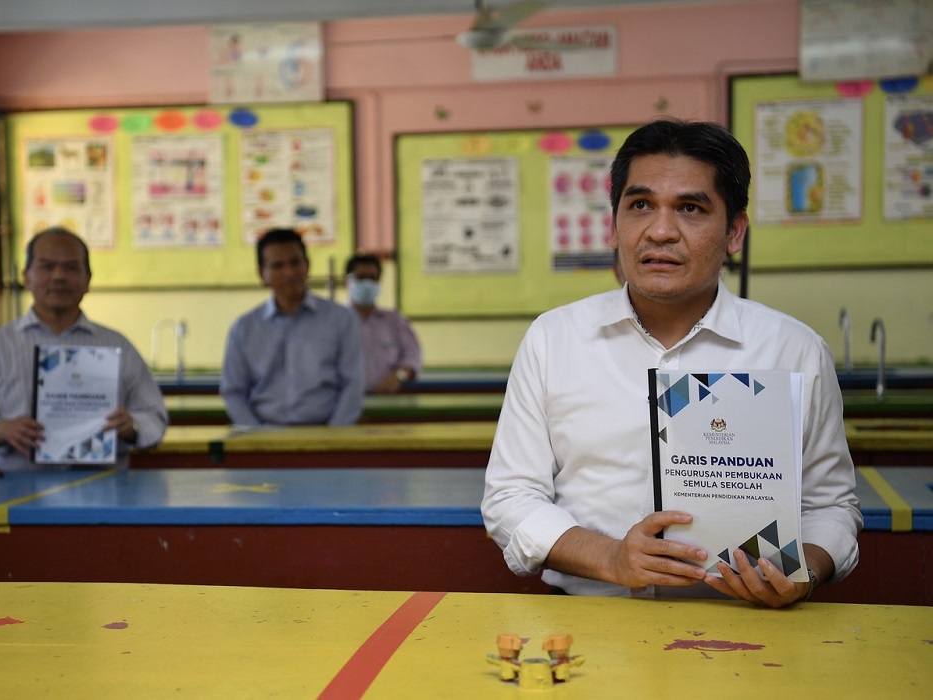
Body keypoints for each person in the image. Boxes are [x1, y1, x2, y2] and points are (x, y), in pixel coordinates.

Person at [481, 118, 861, 608]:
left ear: (735, 232)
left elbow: (830, 506)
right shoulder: (554, 339)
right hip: (593, 627)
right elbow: (510, 498)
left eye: (690, 208)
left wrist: (802, 572)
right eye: (640, 205)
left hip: (748, 632)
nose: (661, 231)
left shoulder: (794, 351)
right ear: (614, 225)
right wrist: (612, 558)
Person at [0, 227, 168, 471]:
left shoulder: (119, 347)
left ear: (88, 280)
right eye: (46, 266)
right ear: (26, 277)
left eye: (71, 268)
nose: (58, 276)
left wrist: (132, 426)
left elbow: (154, 418)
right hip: (18, 495)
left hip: (105, 490)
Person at [221, 228, 364, 426]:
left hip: (326, 434)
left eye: (295, 263)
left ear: (307, 265)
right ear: (262, 274)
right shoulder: (244, 328)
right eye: (277, 266)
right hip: (264, 437)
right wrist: (256, 436)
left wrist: (333, 438)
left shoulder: (342, 320)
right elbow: (233, 391)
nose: (289, 272)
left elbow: (352, 385)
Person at [345, 253, 423, 393]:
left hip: (388, 404)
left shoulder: (395, 321)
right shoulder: (333, 322)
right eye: (361, 277)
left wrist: (398, 376)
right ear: (348, 281)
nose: (367, 284)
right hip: (343, 405)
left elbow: (413, 357)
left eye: (372, 278)